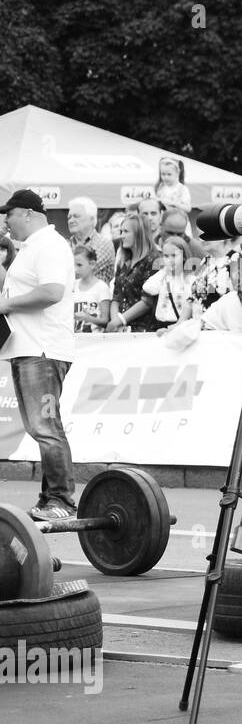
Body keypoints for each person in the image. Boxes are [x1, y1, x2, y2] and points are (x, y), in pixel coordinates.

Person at [0, 190, 78, 521]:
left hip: (42, 351)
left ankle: (61, 499)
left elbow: (51, 292)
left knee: (45, 427)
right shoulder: (35, 247)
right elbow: (18, 290)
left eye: (10, 214)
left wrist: (6, 305)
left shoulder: (49, 245)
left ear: (29, 214)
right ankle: (51, 499)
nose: (6, 220)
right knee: (42, 426)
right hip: (31, 348)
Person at [105, 211, 161, 332]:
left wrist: (120, 320)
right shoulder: (123, 261)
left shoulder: (155, 260)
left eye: (126, 232)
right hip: (121, 330)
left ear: (139, 234)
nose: (122, 236)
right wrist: (116, 322)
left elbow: (147, 301)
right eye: (121, 232)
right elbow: (116, 296)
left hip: (144, 332)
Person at [65, 197, 116, 285]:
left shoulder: (103, 244)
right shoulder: (65, 245)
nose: (71, 220)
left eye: (76, 216)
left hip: (96, 298)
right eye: (69, 217)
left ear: (92, 219)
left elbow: (82, 273)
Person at [72, 245, 113, 331]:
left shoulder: (101, 287)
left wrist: (89, 318)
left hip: (94, 340)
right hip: (75, 338)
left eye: (79, 265)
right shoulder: (73, 286)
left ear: (92, 264)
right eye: (74, 265)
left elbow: (106, 321)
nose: (75, 269)